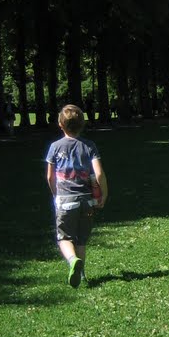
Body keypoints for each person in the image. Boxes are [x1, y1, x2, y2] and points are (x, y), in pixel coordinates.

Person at [45, 104, 108, 288]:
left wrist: (56, 194)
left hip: (65, 200)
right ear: (82, 124)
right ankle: (82, 275)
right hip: (87, 201)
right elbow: (99, 174)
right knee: (81, 239)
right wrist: (104, 194)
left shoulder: (54, 147)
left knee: (64, 238)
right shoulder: (89, 146)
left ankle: (73, 261)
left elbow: (50, 176)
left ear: (60, 124)